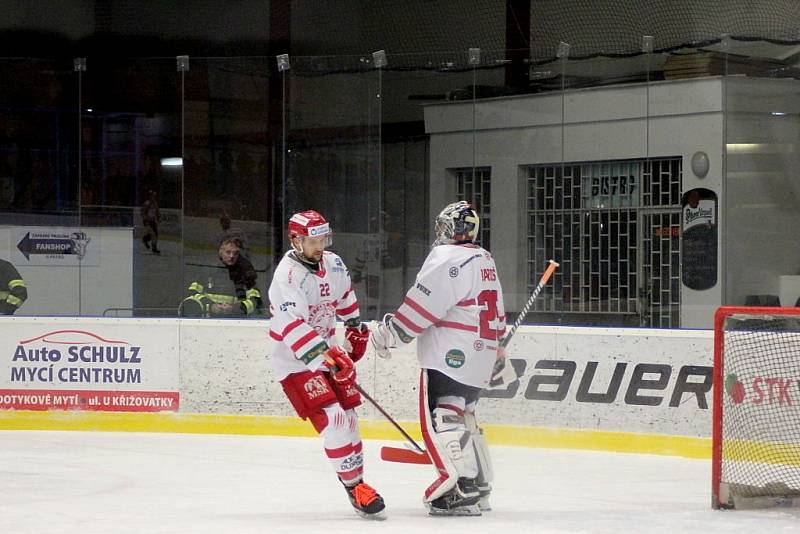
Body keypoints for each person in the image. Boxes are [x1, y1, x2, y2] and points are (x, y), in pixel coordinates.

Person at [370, 200, 506, 516]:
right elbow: (495, 308)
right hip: (482, 351)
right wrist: (496, 342)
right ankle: (481, 486)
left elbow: (423, 306)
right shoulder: (484, 258)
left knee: (445, 412)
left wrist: (390, 335)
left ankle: (461, 487)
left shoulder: (446, 257)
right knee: (465, 413)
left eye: (444, 226)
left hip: (451, 353)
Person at [267, 209, 385, 519]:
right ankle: (355, 488)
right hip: (296, 362)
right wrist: (331, 356)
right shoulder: (287, 277)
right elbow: (294, 327)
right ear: (296, 240)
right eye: (313, 241)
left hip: (326, 354)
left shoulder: (332, 263)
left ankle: (359, 482)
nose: (320, 246)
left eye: (323, 239)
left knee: (349, 419)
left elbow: (345, 295)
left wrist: (355, 328)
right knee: (334, 419)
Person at [179, 238, 263, 318]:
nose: (232, 256)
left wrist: (235, 309)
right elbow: (191, 295)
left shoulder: (244, 274)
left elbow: (256, 301)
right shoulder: (208, 270)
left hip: (236, 322)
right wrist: (210, 306)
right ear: (221, 253)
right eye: (228, 252)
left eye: (235, 253)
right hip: (207, 322)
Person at [140, 189, 161, 254]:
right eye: (152, 196)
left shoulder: (155, 204)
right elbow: (143, 213)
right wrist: (146, 221)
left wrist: (159, 217)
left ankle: (144, 240)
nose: (154, 197)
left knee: (155, 235)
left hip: (153, 221)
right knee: (153, 234)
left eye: (154, 196)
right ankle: (154, 248)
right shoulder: (147, 204)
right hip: (147, 221)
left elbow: (157, 212)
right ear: (149, 196)